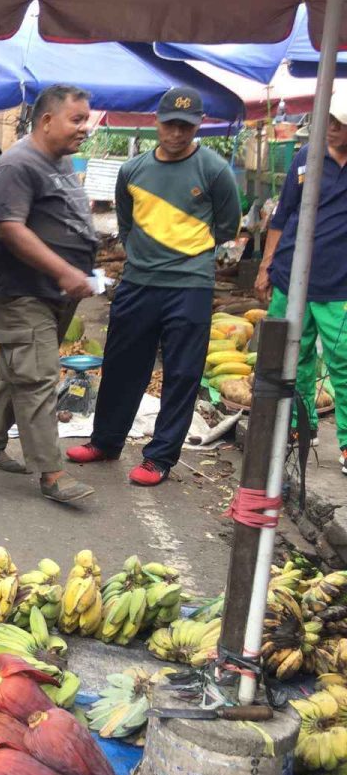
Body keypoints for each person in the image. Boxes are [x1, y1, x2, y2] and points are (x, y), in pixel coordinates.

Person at [69, 89, 241, 485]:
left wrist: (190, 257)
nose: (176, 133)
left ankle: (159, 457)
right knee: (121, 365)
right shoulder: (133, 171)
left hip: (190, 286)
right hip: (138, 282)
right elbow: (125, 224)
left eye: (185, 126)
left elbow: (227, 226)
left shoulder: (214, 170)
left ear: (197, 126)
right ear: (156, 122)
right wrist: (140, 254)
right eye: (170, 124)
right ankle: (105, 441)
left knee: (181, 373)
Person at [0, 84, 98, 504]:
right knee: (39, 375)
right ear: (47, 120)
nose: (86, 127)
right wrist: (64, 269)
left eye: (86, 117)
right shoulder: (18, 164)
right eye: (76, 119)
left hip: (52, 292)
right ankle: (52, 472)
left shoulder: (56, 161)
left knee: (18, 367)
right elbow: (9, 227)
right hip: (21, 290)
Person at [255, 92, 347, 474]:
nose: (331, 129)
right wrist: (265, 265)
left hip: (337, 283)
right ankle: (298, 427)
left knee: (343, 362)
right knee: (293, 356)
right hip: (290, 274)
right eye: (329, 120)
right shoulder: (305, 157)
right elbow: (282, 216)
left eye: (339, 124)